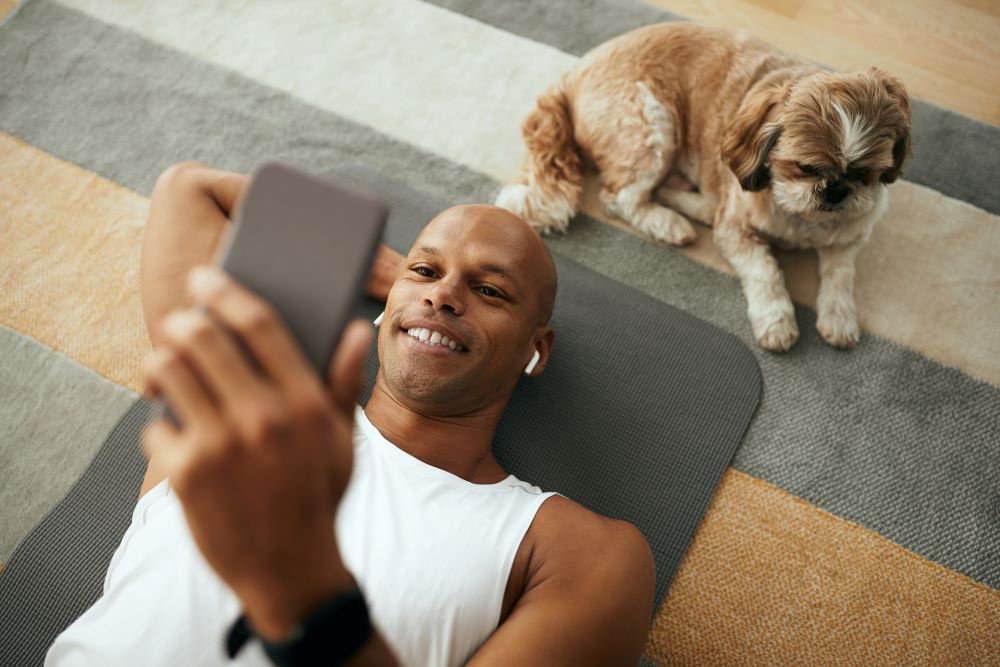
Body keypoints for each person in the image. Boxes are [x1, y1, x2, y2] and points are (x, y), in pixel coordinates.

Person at [45, 162, 655, 666]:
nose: (444, 293)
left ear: (535, 349)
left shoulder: (577, 550)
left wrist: (305, 590)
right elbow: (190, 191)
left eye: (490, 291)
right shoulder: (252, 409)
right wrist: (409, 285)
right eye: (427, 270)